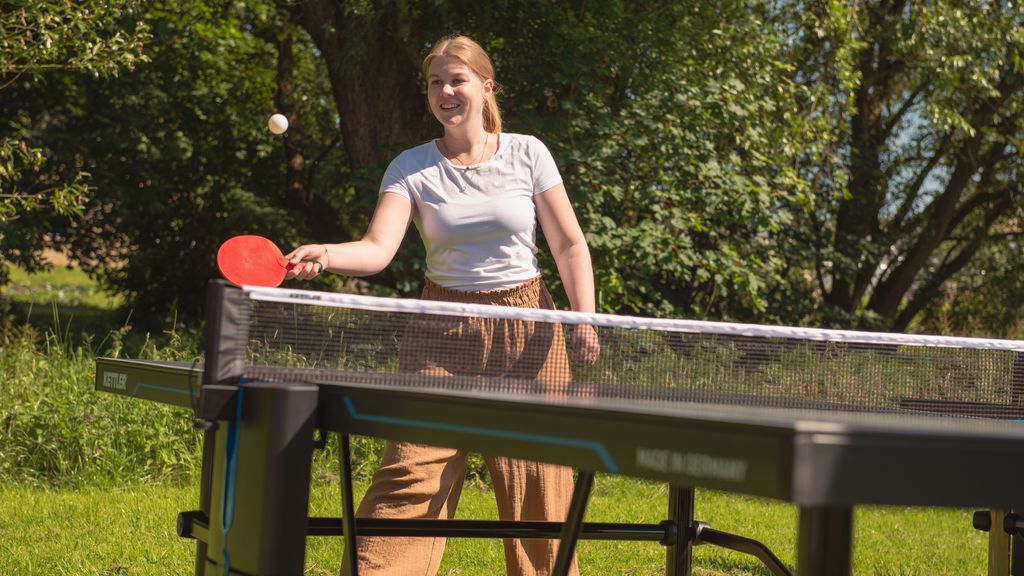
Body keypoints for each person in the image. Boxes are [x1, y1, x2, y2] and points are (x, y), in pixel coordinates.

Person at [284, 34, 599, 576]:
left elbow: (569, 243)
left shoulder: (529, 153)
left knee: (540, 486)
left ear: (485, 86)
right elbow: (378, 249)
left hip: (529, 329)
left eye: (457, 80)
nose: (446, 92)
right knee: (410, 473)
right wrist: (328, 254)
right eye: (435, 83)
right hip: (441, 332)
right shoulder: (411, 167)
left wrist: (583, 318)